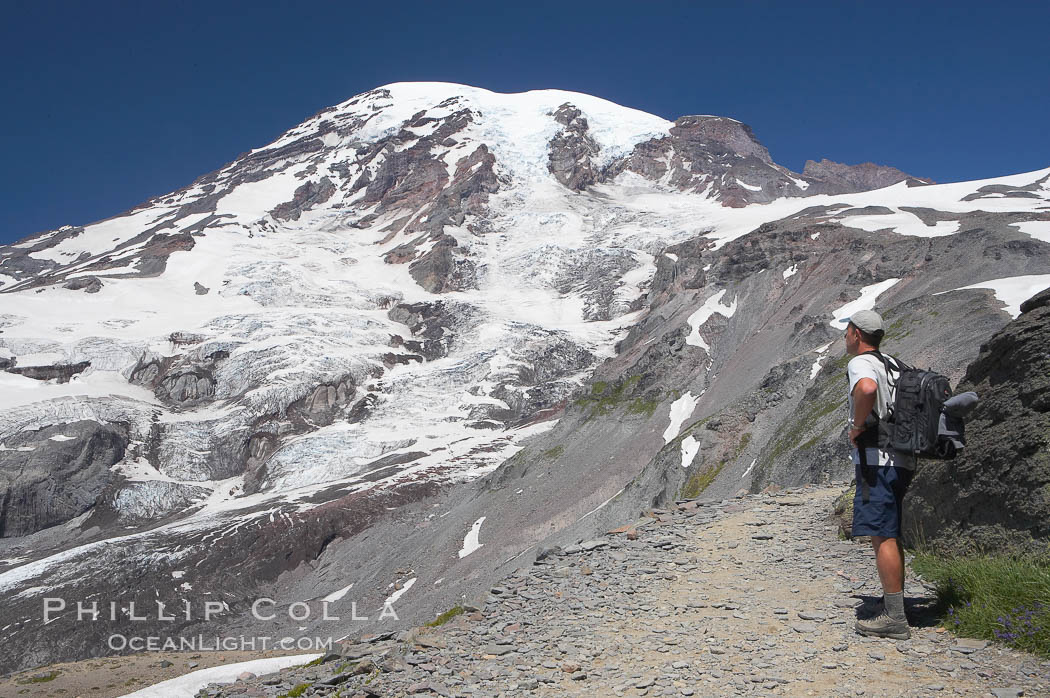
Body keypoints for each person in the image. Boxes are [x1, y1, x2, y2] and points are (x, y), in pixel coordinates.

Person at [844, 309, 916, 640]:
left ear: (857, 334)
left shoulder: (862, 364)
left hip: (878, 459)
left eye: (847, 331)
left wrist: (857, 426)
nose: (845, 337)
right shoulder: (893, 363)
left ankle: (895, 618)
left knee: (881, 534)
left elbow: (868, 390)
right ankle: (894, 603)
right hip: (902, 458)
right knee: (890, 531)